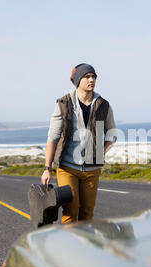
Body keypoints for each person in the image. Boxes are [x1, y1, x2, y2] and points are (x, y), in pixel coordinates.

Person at [41, 63, 116, 224]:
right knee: (71, 210)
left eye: (94, 76)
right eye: (87, 76)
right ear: (77, 81)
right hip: (68, 167)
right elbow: (53, 137)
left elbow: (112, 134)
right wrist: (47, 168)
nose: (92, 80)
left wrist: (102, 151)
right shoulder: (63, 103)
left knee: (87, 214)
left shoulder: (103, 105)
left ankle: (83, 247)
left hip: (92, 169)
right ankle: (69, 246)